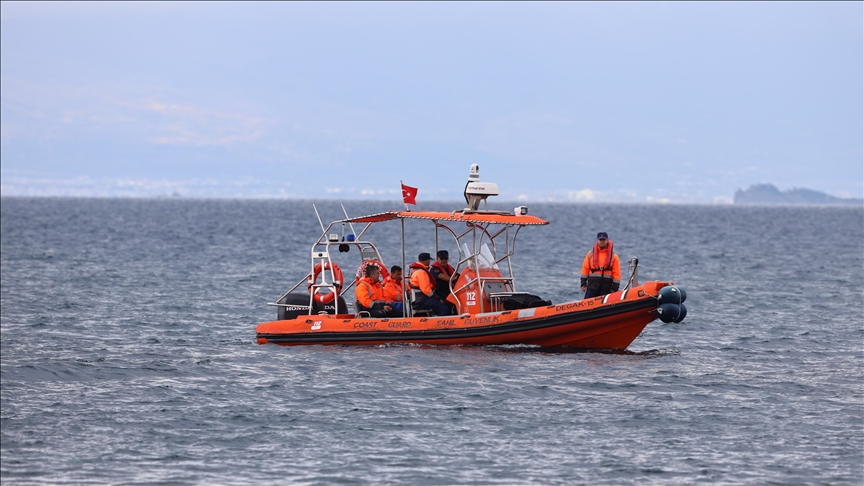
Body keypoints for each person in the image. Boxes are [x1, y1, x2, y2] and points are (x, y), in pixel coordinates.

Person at [580, 232, 621, 299]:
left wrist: (615, 286)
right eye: (600, 240)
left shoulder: (614, 256)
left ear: (607, 240)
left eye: (603, 240)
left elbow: (616, 272)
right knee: (587, 302)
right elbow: (585, 269)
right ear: (597, 241)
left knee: (605, 305)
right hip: (592, 286)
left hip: (606, 287)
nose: (602, 242)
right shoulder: (590, 254)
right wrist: (583, 283)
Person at [430, 250, 458, 314]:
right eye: (442, 258)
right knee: (448, 306)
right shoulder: (434, 269)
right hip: (439, 295)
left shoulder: (450, 268)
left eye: (446, 258)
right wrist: (453, 279)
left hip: (450, 293)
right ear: (437, 259)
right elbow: (441, 276)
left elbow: (457, 275)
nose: (444, 260)